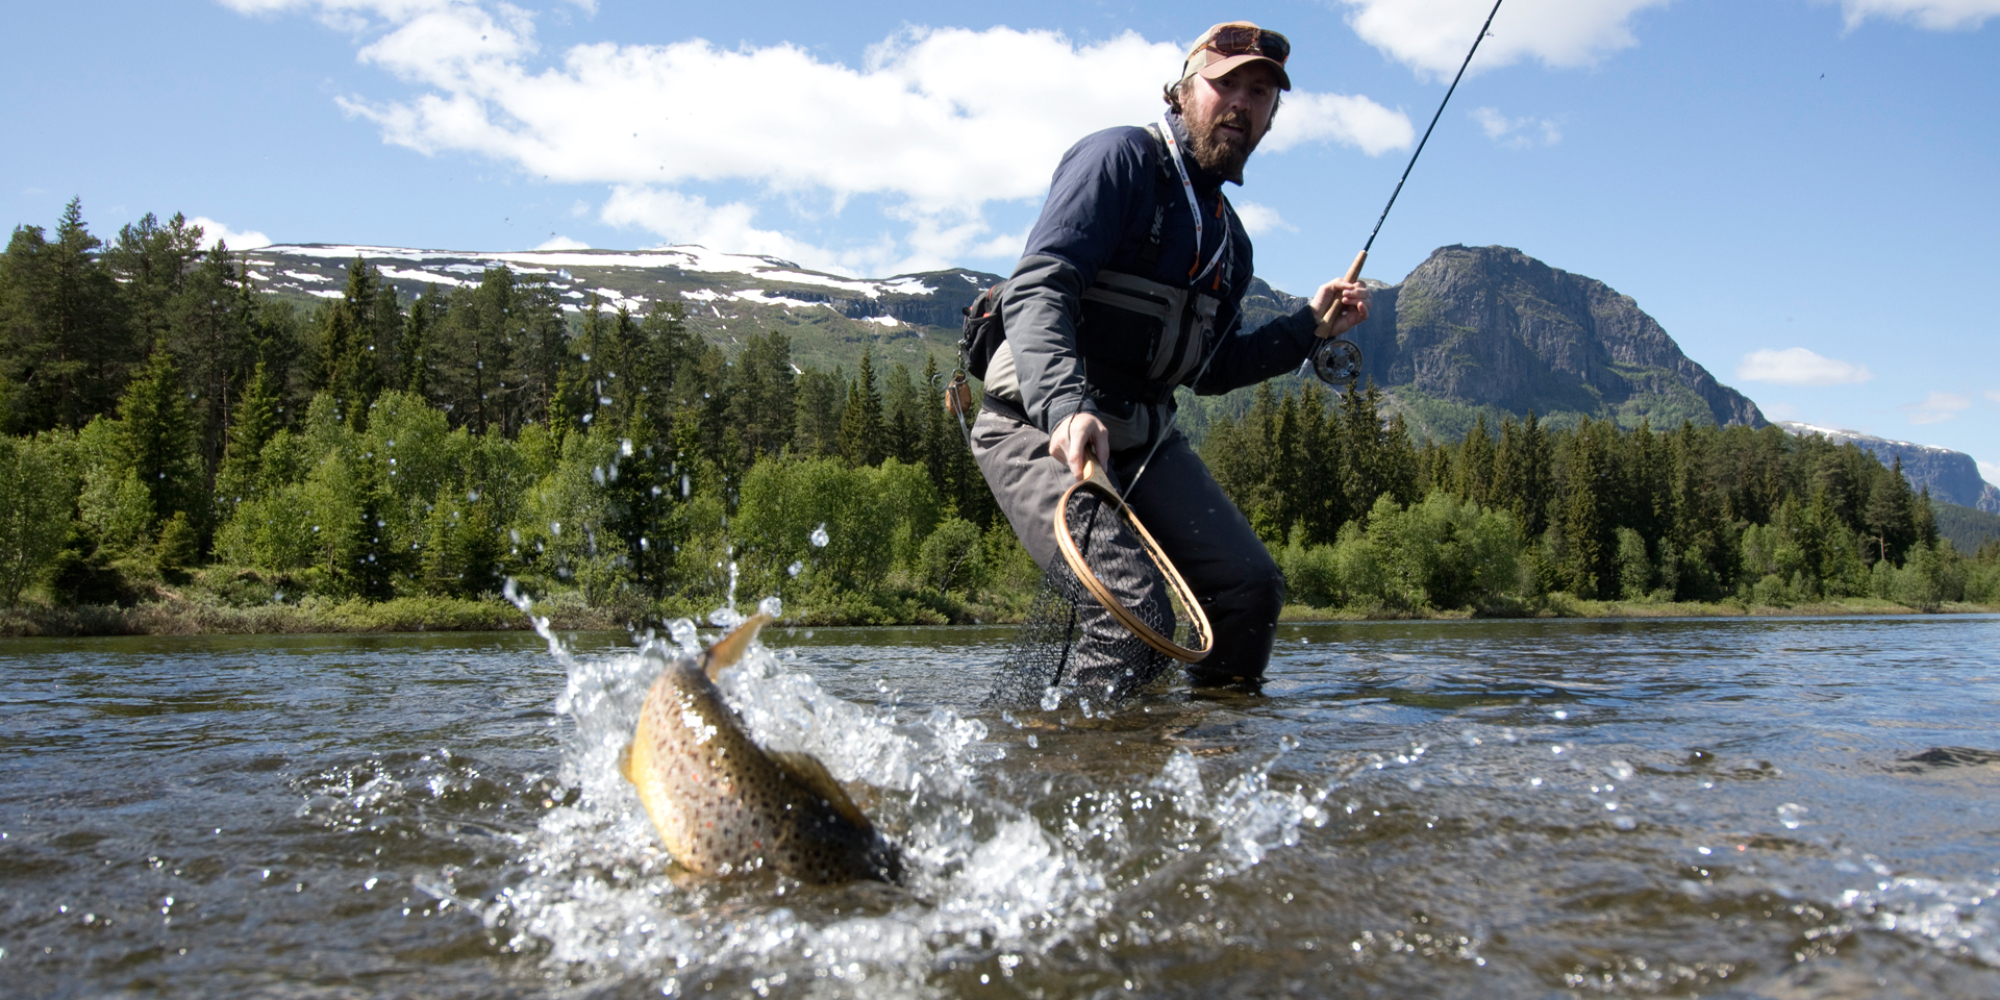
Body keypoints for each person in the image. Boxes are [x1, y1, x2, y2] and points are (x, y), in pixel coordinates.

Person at [971, 21, 1371, 691]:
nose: (1244, 104)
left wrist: (1308, 328)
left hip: (1144, 442)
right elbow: (1042, 286)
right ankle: (1079, 778)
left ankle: (1202, 767)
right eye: (1227, 86)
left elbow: (1210, 371)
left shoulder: (1232, 245)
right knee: (1131, 613)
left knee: (1249, 591)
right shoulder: (1120, 159)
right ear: (1185, 91)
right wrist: (1066, 409)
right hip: (1035, 426)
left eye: (1262, 93)